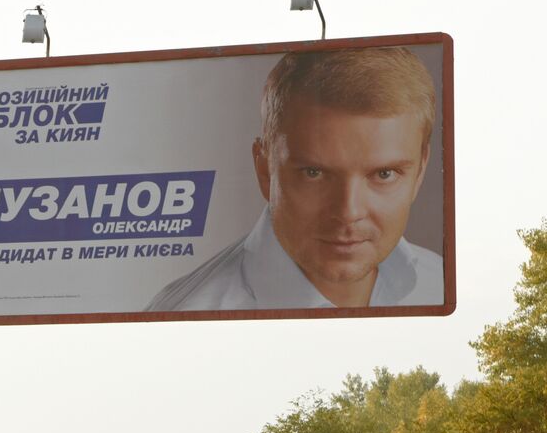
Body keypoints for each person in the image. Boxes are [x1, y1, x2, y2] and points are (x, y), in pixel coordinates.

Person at [147, 47, 444, 312]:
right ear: (265, 169)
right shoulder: (187, 311)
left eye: (384, 174)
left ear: (420, 171)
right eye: (314, 173)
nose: (348, 213)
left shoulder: (437, 281)